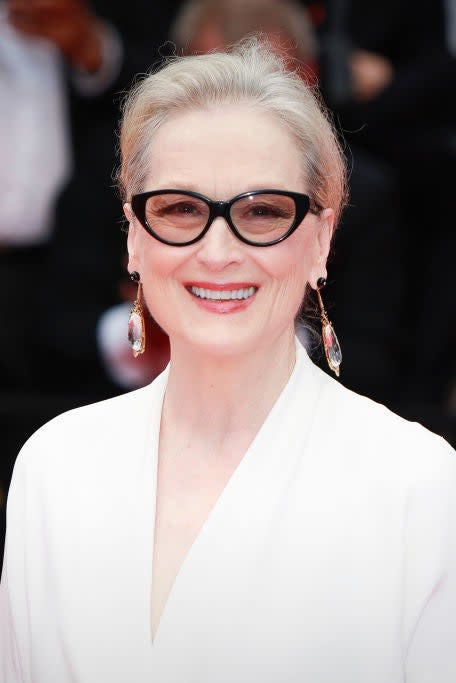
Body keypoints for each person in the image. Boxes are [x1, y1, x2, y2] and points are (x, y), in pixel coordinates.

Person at [1, 38, 456, 683]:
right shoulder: (54, 465)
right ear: (133, 236)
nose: (218, 253)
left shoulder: (418, 485)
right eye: (181, 209)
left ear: (322, 240)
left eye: (263, 212)